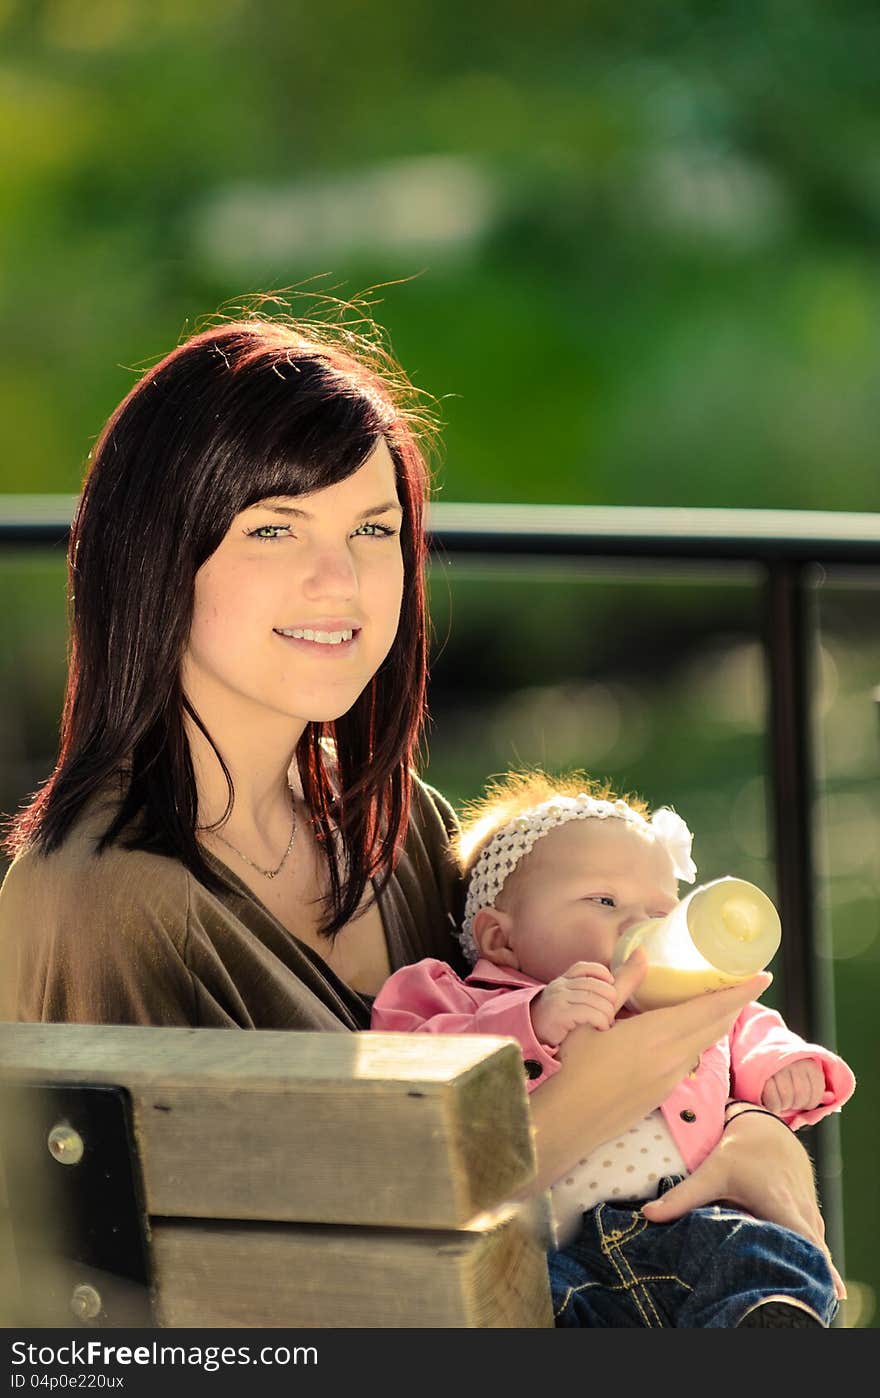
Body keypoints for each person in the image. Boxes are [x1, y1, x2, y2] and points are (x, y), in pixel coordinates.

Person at [0, 312, 844, 1320]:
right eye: (274, 527)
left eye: (373, 530)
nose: (341, 580)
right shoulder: (102, 900)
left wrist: (746, 1126)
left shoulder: (391, 826)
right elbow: (205, 1303)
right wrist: (583, 1105)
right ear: (156, 558)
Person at [372, 770, 856, 1327]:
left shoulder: (681, 1000)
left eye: (659, 912)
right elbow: (410, 1059)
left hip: (695, 1226)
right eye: (604, 900)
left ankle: (765, 1323)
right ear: (500, 938)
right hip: (564, 1254)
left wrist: (784, 1064)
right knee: (527, 1302)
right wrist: (532, 1021)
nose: (640, 926)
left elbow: (748, 1025)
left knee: (770, 1258)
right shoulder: (456, 996)